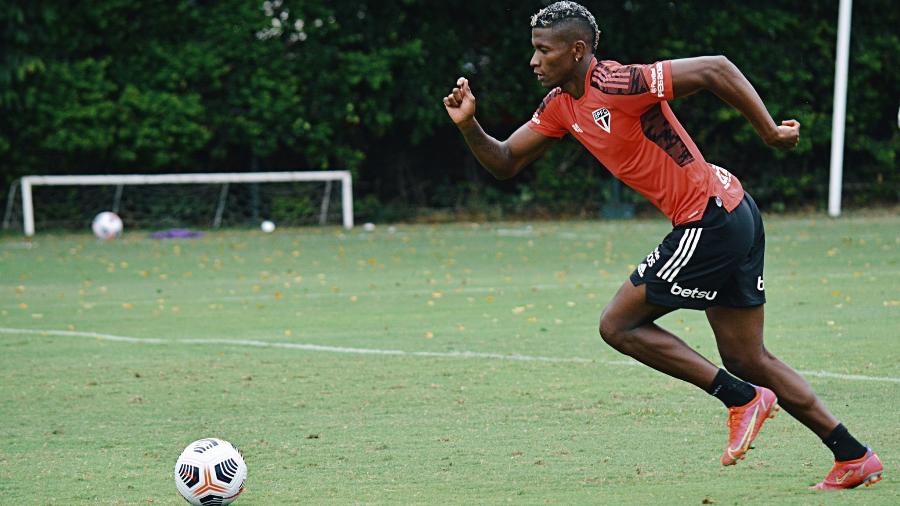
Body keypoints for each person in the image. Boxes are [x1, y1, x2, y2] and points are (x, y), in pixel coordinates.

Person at [442, 1, 883, 490]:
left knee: (619, 324)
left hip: (711, 218)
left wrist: (770, 132)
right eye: (534, 50)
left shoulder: (616, 82)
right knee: (748, 357)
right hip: (732, 210)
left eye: (544, 51)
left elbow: (716, 68)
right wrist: (468, 127)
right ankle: (852, 455)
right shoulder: (560, 107)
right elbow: (504, 162)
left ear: (577, 50)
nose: (534, 61)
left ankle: (740, 399)